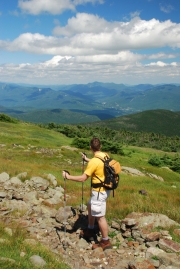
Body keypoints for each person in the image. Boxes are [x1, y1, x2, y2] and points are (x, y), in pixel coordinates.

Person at [62, 137, 112, 250]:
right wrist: (87, 159)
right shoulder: (105, 155)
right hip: (106, 189)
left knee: (100, 217)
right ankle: (90, 229)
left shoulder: (94, 161)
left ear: (90, 147)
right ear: (100, 146)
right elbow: (99, 164)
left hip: (99, 192)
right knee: (90, 204)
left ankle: (105, 241)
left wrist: (68, 176)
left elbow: (83, 178)